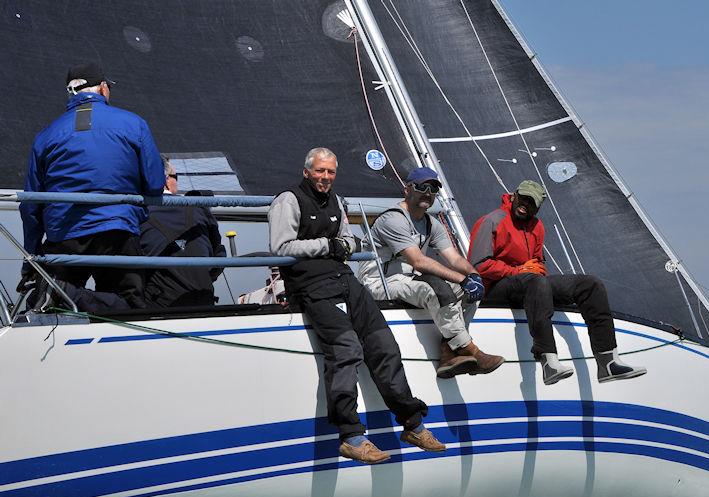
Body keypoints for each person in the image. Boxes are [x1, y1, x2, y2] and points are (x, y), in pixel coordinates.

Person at [269, 148, 444, 464]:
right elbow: (281, 246)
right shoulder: (288, 200)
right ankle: (351, 436)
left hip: (343, 278)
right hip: (310, 285)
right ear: (307, 171)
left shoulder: (336, 200)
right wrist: (328, 246)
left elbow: (350, 241)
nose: (325, 178)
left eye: (331, 172)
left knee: (383, 343)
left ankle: (413, 424)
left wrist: (341, 246)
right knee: (347, 348)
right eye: (320, 171)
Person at [468, 180, 647, 385]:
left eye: (531, 203)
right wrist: (518, 270)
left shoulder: (537, 226)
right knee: (537, 282)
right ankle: (549, 362)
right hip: (494, 288)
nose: (525, 204)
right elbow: (477, 266)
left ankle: (608, 361)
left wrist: (533, 270)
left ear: (538, 208)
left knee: (590, 285)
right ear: (514, 195)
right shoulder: (491, 221)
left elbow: (538, 264)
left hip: (529, 285)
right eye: (523, 198)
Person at [19, 61, 165, 309]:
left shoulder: (46, 135)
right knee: (131, 307)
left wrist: (30, 257)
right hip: (117, 229)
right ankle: (73, 298)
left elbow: (31, 205)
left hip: (63, 234)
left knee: (55, 309)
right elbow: (154, 184)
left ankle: (66, 295)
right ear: (104, 88)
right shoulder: (133, 123)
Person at [358, 166, 504, 378]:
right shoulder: (393, 219)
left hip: (407, 280)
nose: (427, 192)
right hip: (379, 282)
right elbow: (418, 261)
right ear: (407, 189)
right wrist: (463, 279)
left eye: (433, 188)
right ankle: (471, 350)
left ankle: (448, 352)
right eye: (421, 186)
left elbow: (453, 258)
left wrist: (474, 277)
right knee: (435, 289)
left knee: (472, 291)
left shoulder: (431, 223)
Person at [140, 157, 226, 308]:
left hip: (158, 305)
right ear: (166, 180)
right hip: (204, 298)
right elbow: (219, 255)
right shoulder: (200, 209)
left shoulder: (139, 213)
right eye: (176, 177)